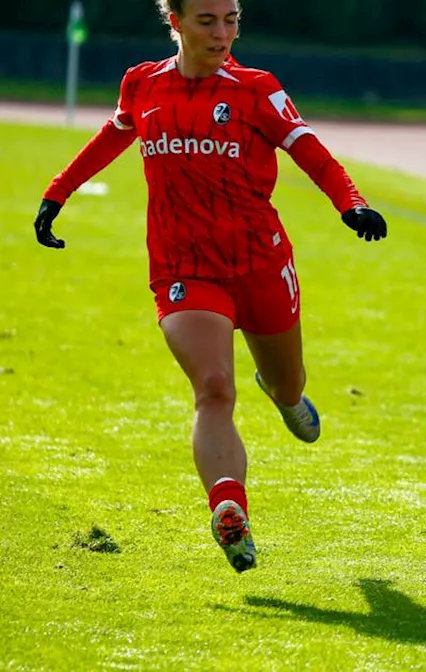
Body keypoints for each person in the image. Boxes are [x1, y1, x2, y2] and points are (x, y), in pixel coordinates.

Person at [29, 0, 388, 574]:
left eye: (232, 20)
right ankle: (229, 508)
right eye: (207, 21)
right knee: (214, 388)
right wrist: (58, 191)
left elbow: (308, 149)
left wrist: (352, 203)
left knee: (287, 381)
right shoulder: (142, 84)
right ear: (174, 21)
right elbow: (113, 134)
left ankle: (285, 395)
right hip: (183, 268)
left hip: (259, 264)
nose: (222, 33)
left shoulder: (255, 89)